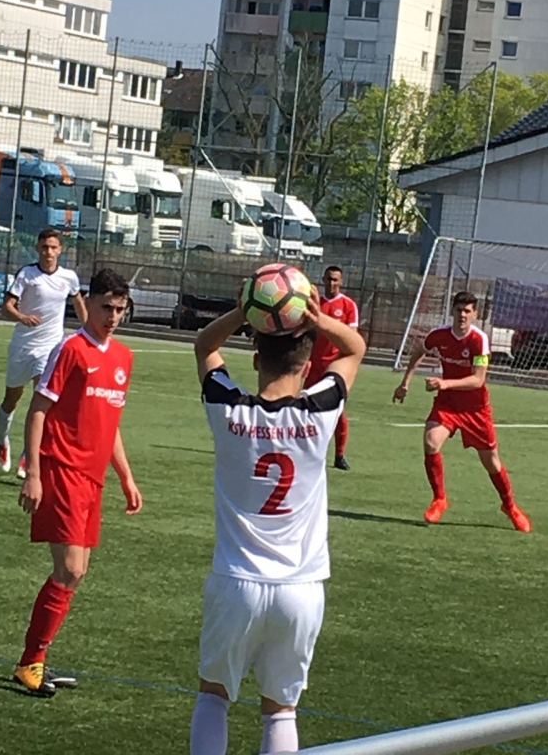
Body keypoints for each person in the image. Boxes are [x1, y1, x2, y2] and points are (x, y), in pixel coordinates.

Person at [190, 287, 365, 754]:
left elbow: (204, 347)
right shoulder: (321, 412)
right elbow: (355, 349)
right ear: (307, 367)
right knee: (281, 710)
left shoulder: (228, 409)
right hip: (300, 589)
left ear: (255, 358)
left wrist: (242, 310)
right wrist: (318, 319)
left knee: (213, 698)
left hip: (236, 582)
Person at [13, 268, 143, 696]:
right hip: (62, 470)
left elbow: (111, 423)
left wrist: (126, 478)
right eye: (106, 307)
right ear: (88, 302)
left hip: (92, 478)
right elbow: (38, 410)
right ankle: (30, 661)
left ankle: (35, 659)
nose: (113, 317)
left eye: (120, 309)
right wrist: (34, 473)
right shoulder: (70, 349)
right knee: (69, 568)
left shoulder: (123, 357)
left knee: (77, 572)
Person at [392, 290, 531, 532]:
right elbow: (419, 351)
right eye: (459, 310)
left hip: (476, 409)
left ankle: (509, 506)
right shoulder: (439, 335)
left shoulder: (479, 340)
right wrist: (405, 382)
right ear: (452, 311)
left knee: (492, 462)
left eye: (467, 311)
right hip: (448, 404)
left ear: (475, 314)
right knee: (431, 441)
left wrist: (444, 383)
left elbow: (478, 380)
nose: (462, 315)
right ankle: (439, 499)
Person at [0, 228, 87, 478]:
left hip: (50, 348)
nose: (48, 252)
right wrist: (22, 317)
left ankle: (28, 455)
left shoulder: (69, 277)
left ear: (60, 250)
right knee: (11, 399)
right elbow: (7, 307)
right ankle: (2, 440)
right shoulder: (27, 274)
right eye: (45, 247)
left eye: (53, 247)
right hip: (22, 346)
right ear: (38, 248)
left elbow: (78, 303)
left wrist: (89, 331)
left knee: (42, 401)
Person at [304, 265, 360, 471]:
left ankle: (339, 455)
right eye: (328, 279)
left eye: (335, 279)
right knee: (304, 407)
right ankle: (306, 450)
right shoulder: (314, 303)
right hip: (313, 365)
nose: (332, 283)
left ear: (341, 282)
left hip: (335, 367)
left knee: (338, 411)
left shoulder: (348, 305)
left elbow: (352, 337)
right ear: (323, 279)